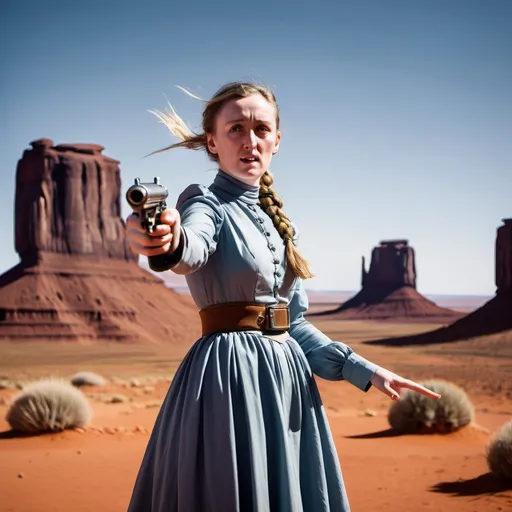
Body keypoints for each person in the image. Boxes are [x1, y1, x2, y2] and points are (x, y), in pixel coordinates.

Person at [125, 81, 440, 512]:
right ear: (213, 142)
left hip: (288, 384)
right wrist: (164, 237)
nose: (249, 141)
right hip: (230, 382)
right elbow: (189, 248)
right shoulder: (205, 202)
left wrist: (365, 371)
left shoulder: (275, 221)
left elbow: (295, 324)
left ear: (277, 140)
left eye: (261, 129)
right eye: (235, 129)